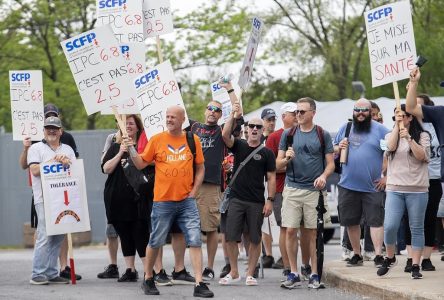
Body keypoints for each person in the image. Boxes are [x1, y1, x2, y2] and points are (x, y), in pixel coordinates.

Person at [127, 106, 214, 298]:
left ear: (183, 119)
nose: (169, 119)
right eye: (167, 116)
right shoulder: (157, 140)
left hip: (187, 201)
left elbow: (200, 168)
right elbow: (140, 163)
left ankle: (199, 283)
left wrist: (194, 191)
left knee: (195, 240)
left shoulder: (193, 140)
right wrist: (131, 148)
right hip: (162, 201)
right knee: (156, 240)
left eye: (173, 117)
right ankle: (148, 278)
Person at [276, 97, 334, 289]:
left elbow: (331, 163)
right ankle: (293, 272)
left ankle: (314, 274)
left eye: (302, 111)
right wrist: (286, 160)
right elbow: (277, 164)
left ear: (312, 113)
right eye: (296, 112)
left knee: (311, 234)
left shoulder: (322, 134)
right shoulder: (288, 134)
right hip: (292, 188)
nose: (298, 115)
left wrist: (324, 176)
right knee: (291, 230)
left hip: (314, 191)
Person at [19, 104, 81, 281]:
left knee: (58, 237)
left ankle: (52, 273)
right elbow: (35, 170)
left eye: (55, 128)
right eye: (48, 128)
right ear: (43, 131)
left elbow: (75, 170)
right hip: (44, 199)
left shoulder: (67, 149)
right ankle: (37, 273)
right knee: (45, 236)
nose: (51, 131)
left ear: (61, 131)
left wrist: (66, 162)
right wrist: (54, 161)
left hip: (63, 199)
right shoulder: (36, 148)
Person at [219, 105, 276, 286]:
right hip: (236, 198)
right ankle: (234, 272)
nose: (254, 129)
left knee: (254, 238)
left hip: (256, 201)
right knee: (230, 236)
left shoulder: (267, 153)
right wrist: (233, 116)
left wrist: (270, 200)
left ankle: (250, 273)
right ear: (247, 129)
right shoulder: (239, 145)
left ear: (262, 131)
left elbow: (271, 178)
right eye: (252, 126)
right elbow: (225, 136)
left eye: (258, 127)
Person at [190, 80, 241, 281]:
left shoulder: (222, 132)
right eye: (210, 108)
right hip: (189, 184)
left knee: (210, 228)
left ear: (221, 115)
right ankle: (190, 269)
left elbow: (237, 114)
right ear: (205, 111)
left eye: (217, 110)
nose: (213, 112)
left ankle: (209, 267)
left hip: (211, 185)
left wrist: (230, 90)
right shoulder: (193, 127)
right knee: (189, 229)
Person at [377, 104, 430, 279]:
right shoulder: (389, 135)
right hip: (394, 188)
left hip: (417, 189)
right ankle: (390, 257)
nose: (398, 119)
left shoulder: (422, 135)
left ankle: (416, 264)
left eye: (402, 116)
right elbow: (390, 148)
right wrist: (396, 129)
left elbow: (422, 156)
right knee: (390, 226)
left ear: (410, 117)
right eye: (395, 116)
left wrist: (409, 138)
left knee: (416, 228)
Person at [334, 99, 388, 268]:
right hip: (348, 184)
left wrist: (387, 177)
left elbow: (392, 152)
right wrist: (338, 147)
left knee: (376, 221)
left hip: (373, 186)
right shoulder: (346, 128)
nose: (360, 113)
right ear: (353, 111)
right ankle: (357, 254)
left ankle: (378, 255)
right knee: (351, 221)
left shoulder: (380, 130)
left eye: (364, 110)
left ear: (370, 111)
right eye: (357, 110)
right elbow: (333, 149)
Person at [102, 115, 151, 282]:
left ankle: (148, 272)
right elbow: (106, 168)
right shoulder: (115, 146)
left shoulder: (145, 146)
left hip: (139, 198)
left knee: (140, 232)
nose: (128, 126)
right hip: (117, 198)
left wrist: (133, 150)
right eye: (125, 123)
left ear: (138, 127)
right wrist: (121, 152)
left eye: (131, 123)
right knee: (124, 233)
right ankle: (130, 269)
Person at [403, 95, 442, 272]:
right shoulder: (407, 126)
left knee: (429, 219)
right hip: (412, 180)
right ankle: (411, 258)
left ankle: (426, 258)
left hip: (432, 178)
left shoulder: (436, 124)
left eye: (419, 104)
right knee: (411, 219)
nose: (414, 107)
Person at [264, 102, 297, 277]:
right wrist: (291, 165)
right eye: (294, 113)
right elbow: (270, 168)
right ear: (284, 117)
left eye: (298, 112)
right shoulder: (274, 138)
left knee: (304, 229)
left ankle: (302, 266)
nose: (297, 115)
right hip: (280, 189)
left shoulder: (305, 134)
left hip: (301, 187)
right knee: (286, 228)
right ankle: (287, 266)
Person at [97, 131, 121, 279]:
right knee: (112, 231)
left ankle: (145, 268)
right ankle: (113, 265)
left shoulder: (141, 135)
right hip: (115, 189)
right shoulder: (111, 138)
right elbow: (103, 162)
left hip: (136, 189)